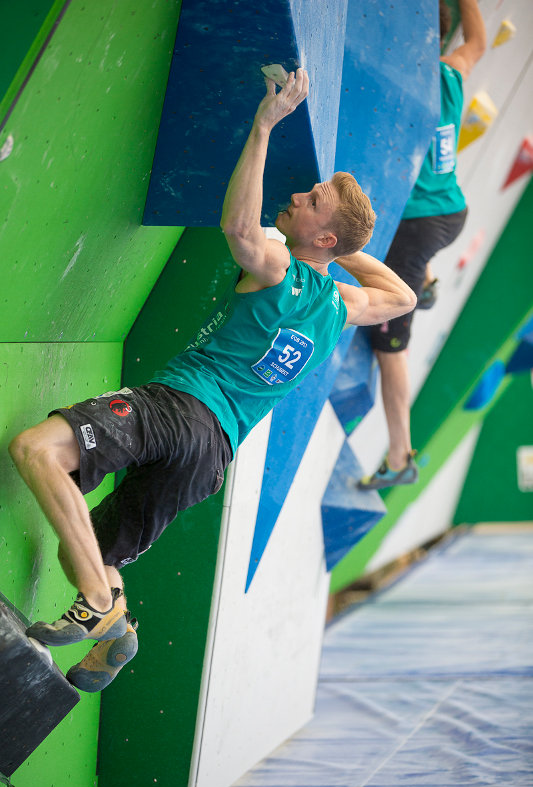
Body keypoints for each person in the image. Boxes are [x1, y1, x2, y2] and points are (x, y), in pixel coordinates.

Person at [9, 68, 415, 691]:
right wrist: (336, 247)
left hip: (180, 408)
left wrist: (263, 127)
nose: (299, 197)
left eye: (311, 202)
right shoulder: (342, 304)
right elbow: (403, 297)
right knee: (86, 547)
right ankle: (117, 629)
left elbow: (240, 230)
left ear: (323, 236)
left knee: (36, 450)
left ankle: (95, 603)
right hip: (212, 458)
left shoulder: (283, 266)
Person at [358, 0, 487, 491]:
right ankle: (427, 284)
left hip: (418, 229)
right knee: (414, 261)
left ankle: (399, 455)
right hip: (452, 209)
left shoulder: (400, 85)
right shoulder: (449, 73)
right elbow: (475, 42)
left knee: (390, 344)